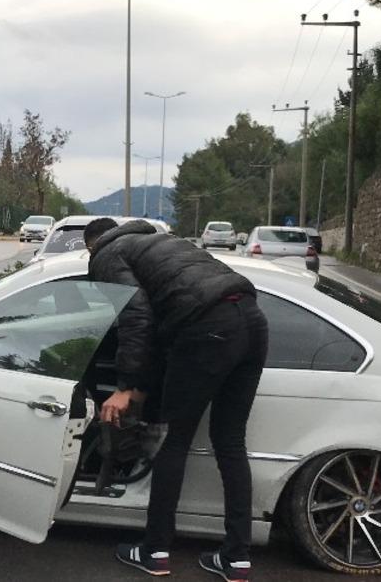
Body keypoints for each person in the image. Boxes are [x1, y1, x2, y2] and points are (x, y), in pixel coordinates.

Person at [84, 218, 266, 581]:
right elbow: (160, 321)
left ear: (91, 244)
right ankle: (236, 558)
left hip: (206, 329)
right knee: (230, 443)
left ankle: (155, 551)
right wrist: (142, 385)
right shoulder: (160, 243)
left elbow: (136, 317)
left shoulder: (106, 255)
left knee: (172, 441)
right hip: (251, 320)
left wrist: (125, 387)